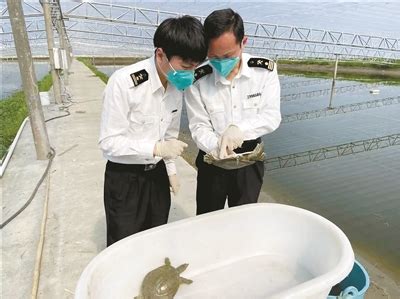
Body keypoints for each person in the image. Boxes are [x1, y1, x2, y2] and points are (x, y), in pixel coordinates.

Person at [99, 16, 207, 246]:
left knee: (155, 237)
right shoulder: (124, 83)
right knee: (124, 243)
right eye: (186, 66)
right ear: (160, 55)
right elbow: (109, 142)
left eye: (195, 67)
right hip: (125, 177)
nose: (190, 73)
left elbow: (169, 136)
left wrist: (170, 170)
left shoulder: (177, 86)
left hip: (157, 175)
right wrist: (155, 148)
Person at [185, 8, 281, 215]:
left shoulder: (264, 71)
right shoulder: (198, 79)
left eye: (227, 56)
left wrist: (239, 129)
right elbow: (198, 125)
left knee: (244, 219)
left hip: (248, 160)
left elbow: (271, 116)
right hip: (212, 159)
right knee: (208, 218)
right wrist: (218, 146)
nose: (220, 62)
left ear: (243, 42)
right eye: (213, 57)